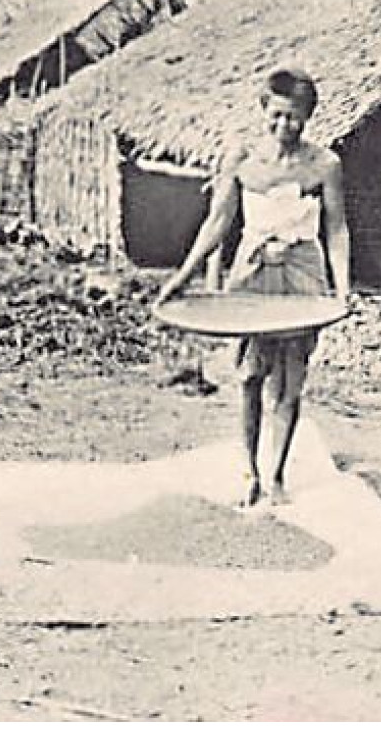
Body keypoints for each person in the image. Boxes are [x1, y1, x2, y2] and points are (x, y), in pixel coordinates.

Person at [156, 68, 352, 508]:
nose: (285, 126)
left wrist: (341, 288)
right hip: (252, 271)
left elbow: (336, 230)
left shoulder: (325, 164)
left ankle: (277, 474)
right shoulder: (242, 157)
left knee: (290, 380)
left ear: (308, 117)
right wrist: (180, 278)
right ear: (264, 110)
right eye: (278, 115)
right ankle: (251, 471)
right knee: (250, 376)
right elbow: (218, 223)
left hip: (303, 271)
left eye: (295, 118)